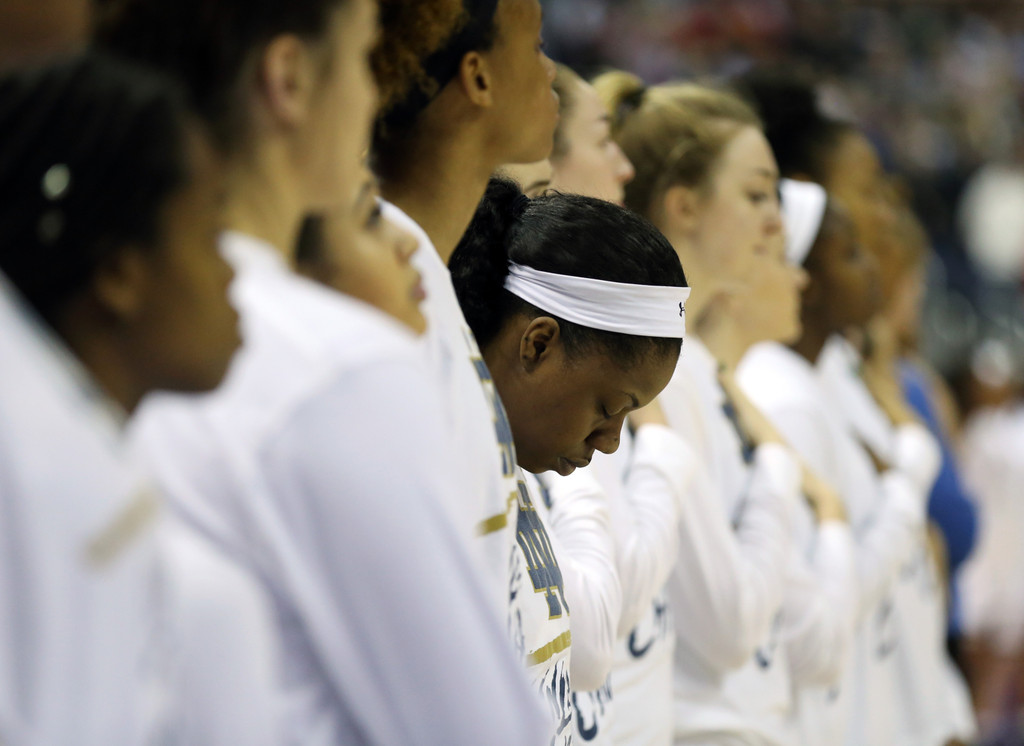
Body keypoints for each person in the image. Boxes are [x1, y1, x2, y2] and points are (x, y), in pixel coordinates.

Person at [98, 0, 550, 742]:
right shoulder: (328, 363)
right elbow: (480, 727)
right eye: (360, 59)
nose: (375, 97)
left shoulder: (114, 321)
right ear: (289, 79)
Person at [597, 72, 864, 746]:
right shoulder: (669, 368)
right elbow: (730, 625)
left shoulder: (696, 367)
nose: (777, 222)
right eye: (754, 194)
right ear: (683, 204)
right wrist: (784, 473)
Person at [0, 51, 250, 744]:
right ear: (118, 272)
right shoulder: (54, 481)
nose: (234, 272)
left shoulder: (76, 447)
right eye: (209, 236)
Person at [739, 72, 976, 746]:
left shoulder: (841, 366)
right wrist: (906, 483)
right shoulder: (782, 389)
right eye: (868, 188)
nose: (888, 207)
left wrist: (943, 712)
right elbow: (827, 618)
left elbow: (909, 586)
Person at [371, 4, 571, 737]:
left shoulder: (428, 267)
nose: (550, 70)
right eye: (536, 45)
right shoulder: (386, 279)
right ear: (477, 76)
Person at [449, 176, 690, 742]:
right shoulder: (452, 466)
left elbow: (581, 657)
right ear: (537, 343)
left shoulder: (511, 461)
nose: (610, 443)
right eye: (609, 407)